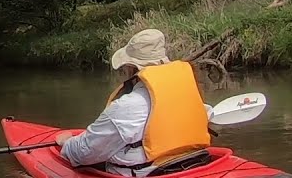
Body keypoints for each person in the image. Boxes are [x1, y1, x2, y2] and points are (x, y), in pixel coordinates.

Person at [54, 29, 213, 177]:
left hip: (151, 172)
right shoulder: (188, 90)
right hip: (195, 163)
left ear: (131, 67)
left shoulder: (126, 106)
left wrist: (66, 143)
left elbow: (84, 153)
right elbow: (206, 114)